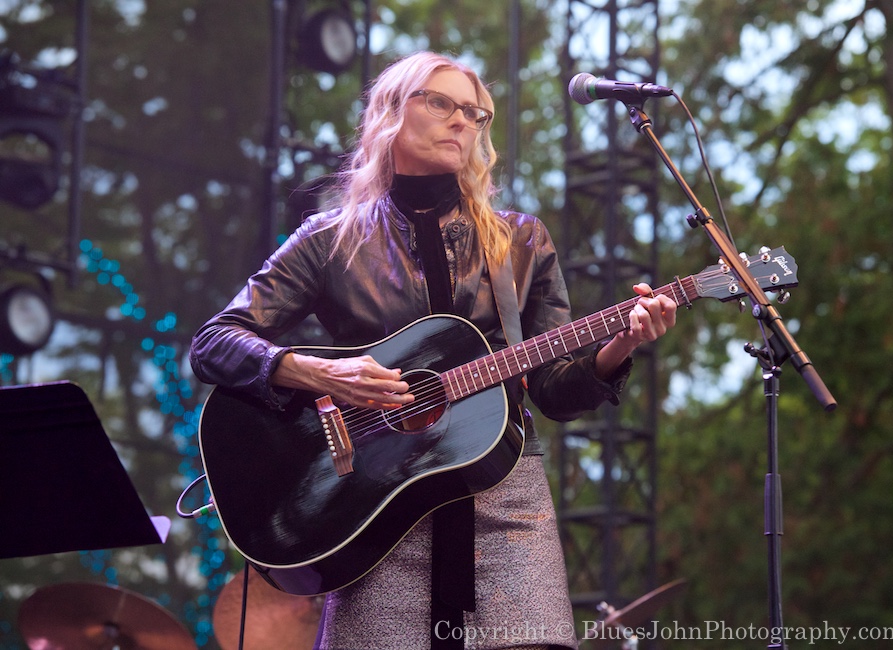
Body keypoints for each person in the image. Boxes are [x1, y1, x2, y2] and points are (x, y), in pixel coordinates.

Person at [189, 51, 678, 650]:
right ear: (391, 112)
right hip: (371, 501)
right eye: (442, 103)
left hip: (503, 498)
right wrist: (319, 373)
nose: (462, 123)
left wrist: (622, 342)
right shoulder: (330, 238)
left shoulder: (520, 240)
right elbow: (214, 342)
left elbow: (553, 391)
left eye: (477, 114)